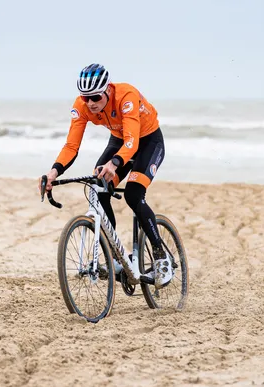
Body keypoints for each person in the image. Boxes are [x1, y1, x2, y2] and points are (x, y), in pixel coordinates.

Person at [40, 63, 173, 288]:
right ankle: (116, 257)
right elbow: (72, 145)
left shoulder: (126, 96)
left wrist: (115, 163)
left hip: (148, 140)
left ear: (107, 90)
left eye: (95, 97)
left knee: (133, 194)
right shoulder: (82, 106)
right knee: (98, 188)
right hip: (120, 139)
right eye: (85, 98)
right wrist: (54, 171)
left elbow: (132, 142)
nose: (90, 104)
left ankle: (160, 255)